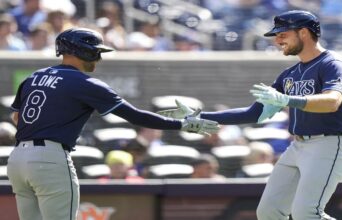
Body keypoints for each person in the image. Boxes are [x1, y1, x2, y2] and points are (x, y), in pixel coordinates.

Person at [159, 10, 342, 220]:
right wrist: (203, 116)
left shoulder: (333, 64)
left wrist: (288, 100)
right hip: (298, 145)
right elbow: (254, 113)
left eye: (283, 34)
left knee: (306, 214)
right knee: (269, 213)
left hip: (330, 143)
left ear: (304, 33)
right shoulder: (290, 74)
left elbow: (333, 102)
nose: (277, 40)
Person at [6, 27, 219, 220]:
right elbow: (135, 116)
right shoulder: (85, 83)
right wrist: (182, 125)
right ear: (82, 51)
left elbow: (16, 118)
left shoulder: (34, 77)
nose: (98, 58)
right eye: (96, 51)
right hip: (49, 159)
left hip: (17, 160)